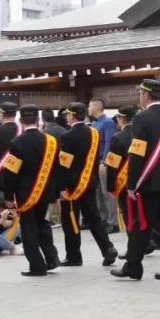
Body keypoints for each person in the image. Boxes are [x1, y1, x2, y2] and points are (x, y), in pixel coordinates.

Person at [111, 79, 160, 281]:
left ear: (145, 95)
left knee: (141, 224)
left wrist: (132, 183)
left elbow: (137, 153)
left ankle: (133, 266)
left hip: (150, 181)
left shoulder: (142, 119)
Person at [0, 105, 61, 276]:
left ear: (21, 121)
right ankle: (52, 258)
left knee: (29, 228)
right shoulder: (51, 141)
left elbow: (11, 172)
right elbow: (57, 168)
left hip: (26, 194)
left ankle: (37, 266)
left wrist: (8, 196)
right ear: (38, 120)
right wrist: (56, 191)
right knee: (43, 224)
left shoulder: (17, 142)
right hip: (45, 191)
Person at [56, 102, 117, 267]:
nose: (67, 117)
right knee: (94, 218)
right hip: (90, 182)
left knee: (71, 221)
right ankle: (108, 248)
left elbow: (64, 164)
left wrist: (61, 187)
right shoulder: (94, 133)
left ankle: (74, 256)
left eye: (68, 114)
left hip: (72, 186)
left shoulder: (68, 136)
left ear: (72, 115)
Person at [104, 106, 139, 256]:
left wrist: (111, 186)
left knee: (128, 215)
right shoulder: (141, 134)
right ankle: (147, 242)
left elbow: (112, 165)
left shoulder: (117, 137)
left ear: (122, 118)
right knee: (142, 214)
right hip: (142, 181)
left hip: (124, 183)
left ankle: (133, 247)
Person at [89, 98, 119, 233]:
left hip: (103, 162)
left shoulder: (107, 123)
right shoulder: (94, 124)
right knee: (98, 194)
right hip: (94, 163)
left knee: (107, 193)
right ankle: (103, 219)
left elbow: (108, 143)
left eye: (90, 106)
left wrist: (104, 162)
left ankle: (113, 222)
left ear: (96, 107)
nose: (88, 108)